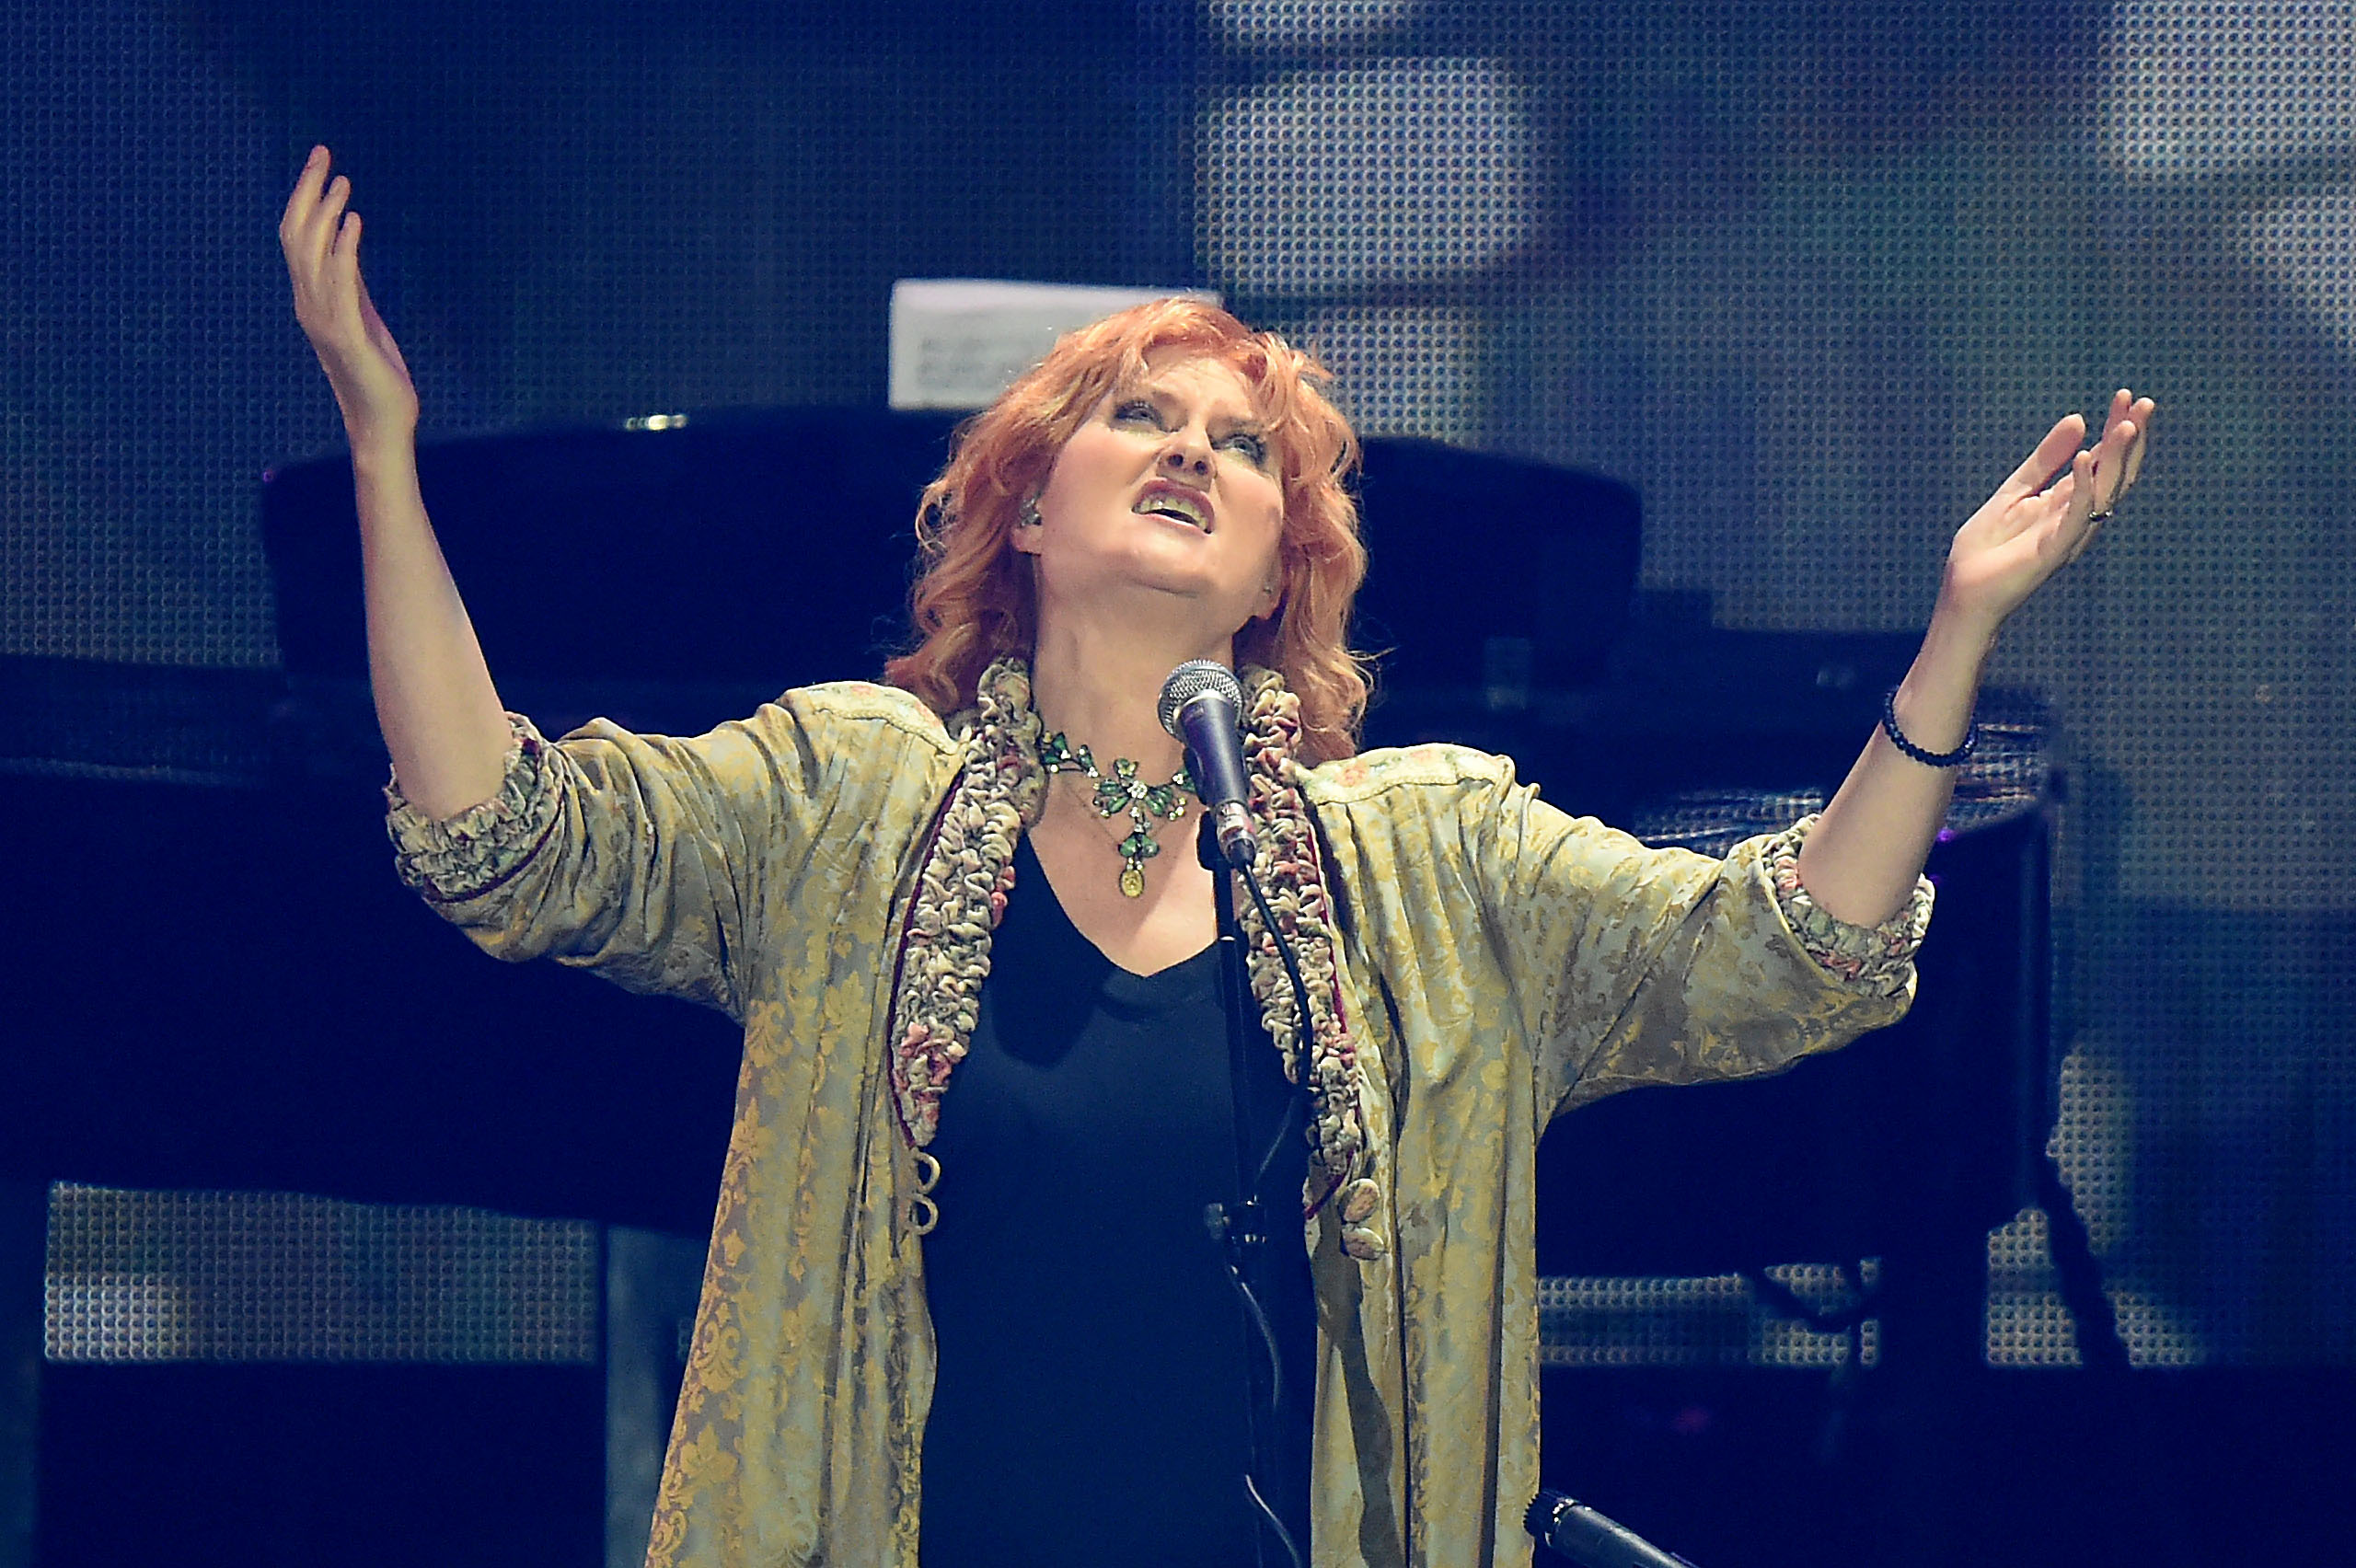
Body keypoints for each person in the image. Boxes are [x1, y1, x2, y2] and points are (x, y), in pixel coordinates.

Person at [280, 144, 2153, 1568]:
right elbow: (498, 833)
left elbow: (1786, 949)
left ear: (1282, 565)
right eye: (1138, 417)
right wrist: (384, 455)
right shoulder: (845, 800)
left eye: (1244, 446)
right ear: (1020, 504)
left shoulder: (1426, 851)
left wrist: (1949, 644)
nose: (1192, 450)